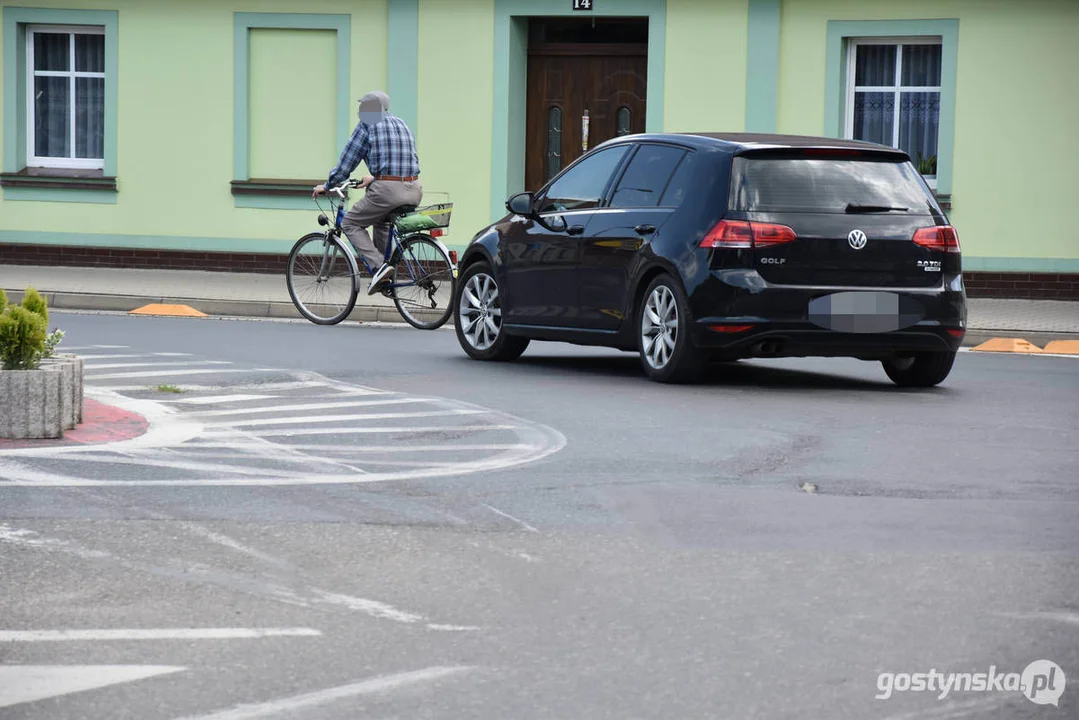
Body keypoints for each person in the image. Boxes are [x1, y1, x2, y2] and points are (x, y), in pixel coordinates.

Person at [313, 91, 422, 295]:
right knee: (382, 221)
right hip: (414, 188)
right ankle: (385, 275)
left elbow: (346, 163)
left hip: (388, 191)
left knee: (350, 223)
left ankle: (380, 267)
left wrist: (327, 186)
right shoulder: (401, 123)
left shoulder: (367, 125)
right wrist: (375, 178)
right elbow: (407, 161)